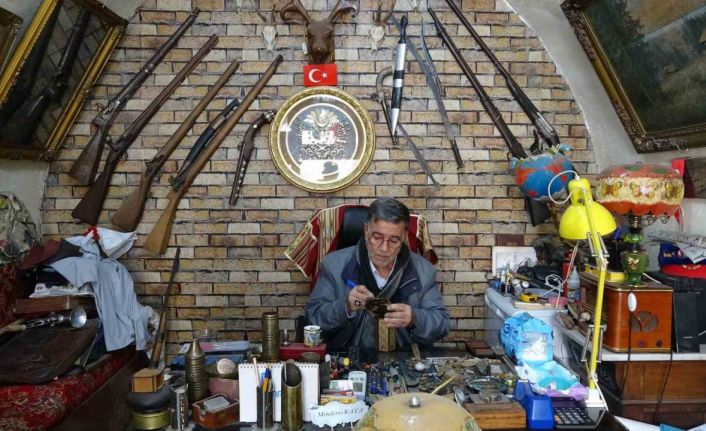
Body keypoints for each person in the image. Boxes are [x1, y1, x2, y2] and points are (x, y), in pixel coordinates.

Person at [305, 198, 449, 353]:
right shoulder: (333, 265)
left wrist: (414, 318)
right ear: (366, 229)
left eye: (394, 240)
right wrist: (345, 307)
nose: (384, 248)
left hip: (404, 357)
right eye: (377, 237)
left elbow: (441, 324)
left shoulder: (424, 270)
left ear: (404, 236)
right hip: (347, 356)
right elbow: (313, 317)